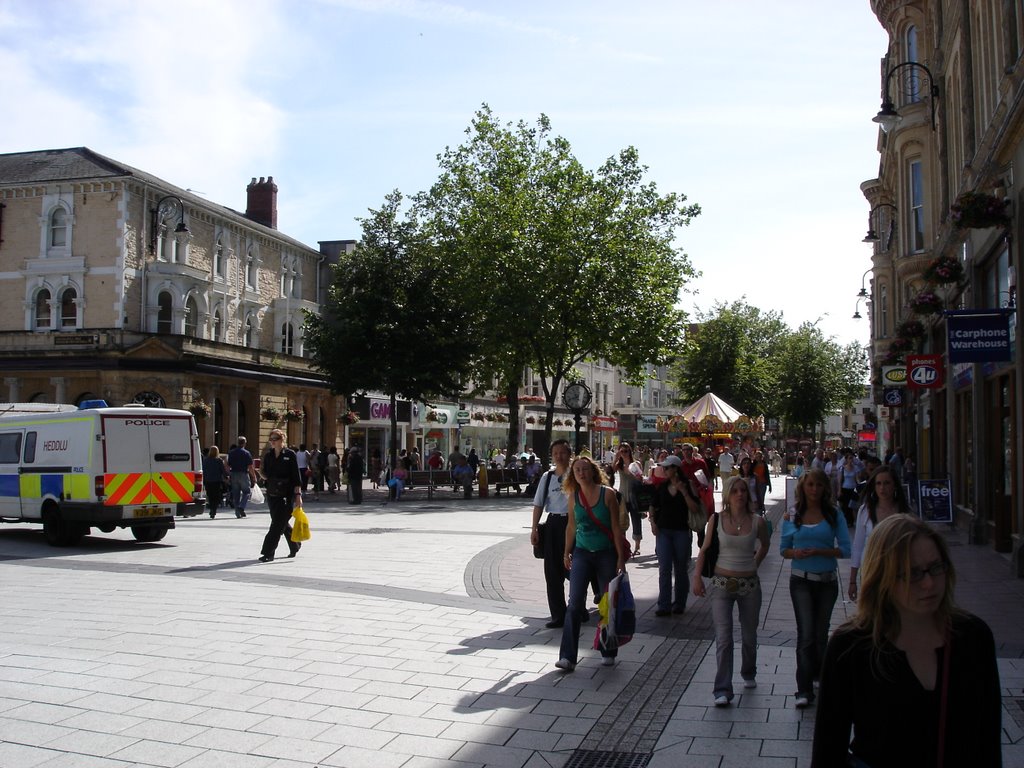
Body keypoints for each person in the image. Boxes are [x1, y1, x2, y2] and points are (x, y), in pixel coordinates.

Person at [812, 515, 1001, 767]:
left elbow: (987, 742)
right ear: (883, 577)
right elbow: (828, 750)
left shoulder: (973, 638)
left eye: (936, 567)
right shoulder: (851, 646)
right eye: (912, 574)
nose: (929, 583)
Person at [693, 475, 771, 706]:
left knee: (749, 635)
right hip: (722, 584)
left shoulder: (757, 521)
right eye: (735, 490)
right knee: (724, 638)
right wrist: (697, 577)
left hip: (750, 586)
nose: (739, 494)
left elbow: (765, 545)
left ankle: (748, 671)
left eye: (743, 491)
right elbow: (704, 550)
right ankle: (722, 689)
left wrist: (754, 565)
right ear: (727, 495)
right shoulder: (716, 520)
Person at [779, 468, 852, 708]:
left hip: (827, 581)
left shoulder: (833, 514)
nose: (814, 489)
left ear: (824, 488)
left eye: (819, 485)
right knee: (806, 634)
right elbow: (783, 550)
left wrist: (822, 551)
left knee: (821, 634)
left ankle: (819, 674)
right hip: (801, 579)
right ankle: (803, 689)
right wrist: (795, 553)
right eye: (810, 485)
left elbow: (845, 549)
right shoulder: (793, 515)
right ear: (803, 487)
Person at [555, 455, 627, 672]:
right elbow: (571, 527)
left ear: (592, 471)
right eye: (576, 470)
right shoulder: (573, 497)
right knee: (575, 603)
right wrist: (567, 552)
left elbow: (616, 528)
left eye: (584, 469)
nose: (580, 473)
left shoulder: (608, 495)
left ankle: (608, 650)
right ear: (572, 475)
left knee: (607, 602)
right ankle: (567, 656)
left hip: (605, 553)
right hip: (582, 553)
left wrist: (620, 558)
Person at [848, 465, 911, 601]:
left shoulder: (904, 512)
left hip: (897, 572)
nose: (882, 488)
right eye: (878, 483)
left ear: (894, 485)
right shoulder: (865, 511)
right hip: (871, 570)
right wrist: (852, 580)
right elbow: (858, 546)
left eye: (887, 483)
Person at [530, 439, 573, 629]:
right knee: (552, 571)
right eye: (555, 453)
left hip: (574, 523)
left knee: (576, 569)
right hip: (554, 523)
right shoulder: (547, 477)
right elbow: (538, 503)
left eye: (562, 452)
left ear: (569, 454)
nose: (559, 456)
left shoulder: (577, 474)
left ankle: (577, 609)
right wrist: (534, 529)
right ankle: (558, 614)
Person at [650, 455, 695, 617]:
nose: (664, 470)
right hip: (663, 532)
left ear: (676, 469)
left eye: (667, 467)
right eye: (664, 467)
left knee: (681, 568)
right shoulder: (662, 486)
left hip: (682, 531)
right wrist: (653, 523)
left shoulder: (687, 485)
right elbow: (653, 506)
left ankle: (680, 603)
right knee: (664, 568)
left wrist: (684, 492)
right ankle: (664, 604)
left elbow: (695, 508)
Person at [258, 429, 302, 562]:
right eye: (271, 439)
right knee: (281, 522)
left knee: (276, 524)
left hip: (286, 494)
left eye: (275, 439)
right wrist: (260, 473)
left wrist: (298, 495)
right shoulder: (269, 455)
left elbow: (296, 477)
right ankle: (295, 545)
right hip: (272, 494)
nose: (272, 441)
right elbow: (266, 475)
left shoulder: (290, 455)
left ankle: (268, 553)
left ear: (282, 439)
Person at [612, 442, 644, 557]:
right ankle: (624, 545)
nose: (624, 453)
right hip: (622, 496)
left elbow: (641, 479)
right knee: (622, 522)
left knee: (636, 521)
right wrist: (616, 457)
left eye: (626, 451)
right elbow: (611, 472)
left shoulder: (636, 464)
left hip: (634, 497)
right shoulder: (619, 464)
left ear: (630, 451)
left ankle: (637, 546)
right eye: (622, 451)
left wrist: (638, 477)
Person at [227, 436, 257, 518]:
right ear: (244, 443)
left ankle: (237, 512)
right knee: (247, 492)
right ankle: (242, 506)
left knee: (236, 494)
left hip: (234, 473)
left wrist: (228, 475)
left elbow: (228, 465)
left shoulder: (231, 452)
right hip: (243, 474)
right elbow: (250, 466)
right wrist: (253, 477)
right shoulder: (246, 453)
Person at [837, 450, 860, 527]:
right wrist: (839, 490)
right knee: (845, 505)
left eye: (852, 458)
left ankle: (851, 521)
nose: (851, 460)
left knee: (852, 505)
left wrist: (860, 485)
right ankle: (846, 520)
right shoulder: (842, 468)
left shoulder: (855, 468)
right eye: (849, 458)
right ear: (846, 459)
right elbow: (840, 480)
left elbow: (857, 479)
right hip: (845, 488)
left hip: (853, 488)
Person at [202, 446, 227, 518]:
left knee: (210, 495)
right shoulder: (219, 460)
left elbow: (204, 470)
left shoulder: (206, 460)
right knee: (216, 496)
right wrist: (226, 477)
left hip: (208, 481)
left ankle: (211, 507)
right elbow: (223, 470)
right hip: (216, 481)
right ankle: (213, 509)